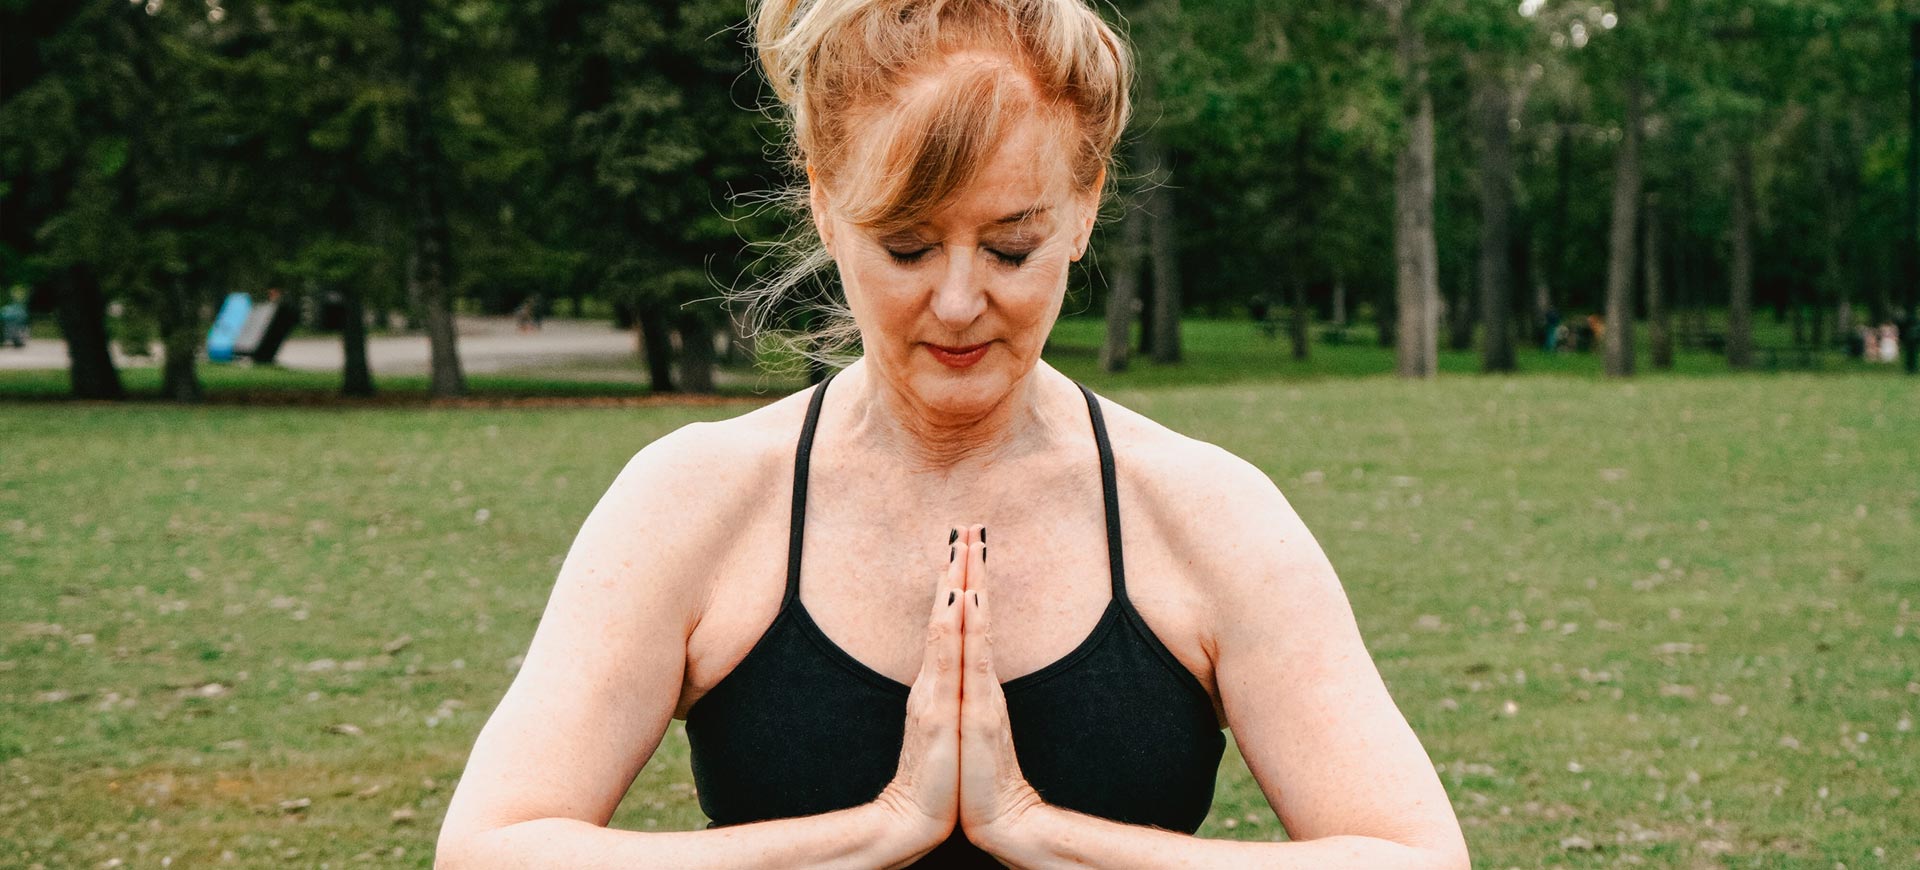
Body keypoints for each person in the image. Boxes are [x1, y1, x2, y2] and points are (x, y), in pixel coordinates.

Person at [436, 1, 1469, 867]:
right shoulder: (697, 498)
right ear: (826, 205)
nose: (962, 301)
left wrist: (1040, 832)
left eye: (1012, 247)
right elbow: (490, 848)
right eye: (907, 245)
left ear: (1083, 206)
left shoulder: (1208, 512)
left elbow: (1417, 858)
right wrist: (875, 833)